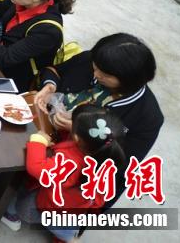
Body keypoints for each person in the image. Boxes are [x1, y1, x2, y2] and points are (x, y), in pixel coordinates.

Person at [32, 33, 163, 204]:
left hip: (69, 175)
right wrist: (50, 86)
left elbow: (119, 166)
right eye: (95, 67)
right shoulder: (95, 61)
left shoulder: (147, 117)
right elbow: (55, 71)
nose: (96, 74)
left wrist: (82, 131)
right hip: (43, 131)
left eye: (105, 75)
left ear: (129, 80)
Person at [3, 105, 126, 237]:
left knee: (23, 203)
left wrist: (38, 141)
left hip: (50, 209)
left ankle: (13, 217)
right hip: (74, 206)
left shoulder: (70, 163)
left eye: (72, 121)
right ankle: (68, 232)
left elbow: (36, 167)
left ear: (77, 138)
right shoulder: (106, 156)